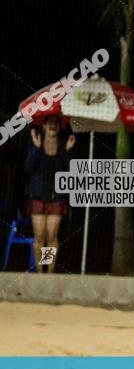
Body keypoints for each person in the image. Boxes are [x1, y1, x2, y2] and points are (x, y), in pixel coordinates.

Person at [24, 115, 75, 274]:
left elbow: (68, 171)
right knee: (39, 236)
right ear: (44, 126)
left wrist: (66, 151)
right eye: (50, 123)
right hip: (38, 195)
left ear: (59, 127)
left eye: (56, 123)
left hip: (56, 197)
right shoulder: (36, 143)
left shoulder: (63, 146)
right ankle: (40, 272)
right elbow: (28, 168)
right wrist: (37, 148)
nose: (53, 125)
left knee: (51, 235)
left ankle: (49, 272)